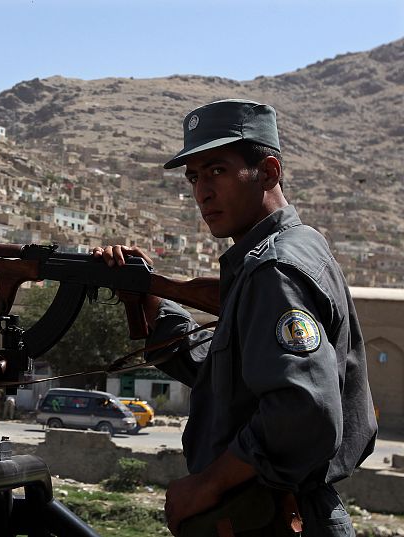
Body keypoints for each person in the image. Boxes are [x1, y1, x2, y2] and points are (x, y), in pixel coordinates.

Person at [93, 99, 377, 536]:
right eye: (194, 177)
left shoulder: (274, 269)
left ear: (267, 172)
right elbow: (232, 380)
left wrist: (205, 485)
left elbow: (304, 410)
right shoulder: (285, 252)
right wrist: (150, 299)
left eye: (217, 171)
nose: (202, 191)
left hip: (278, 517)